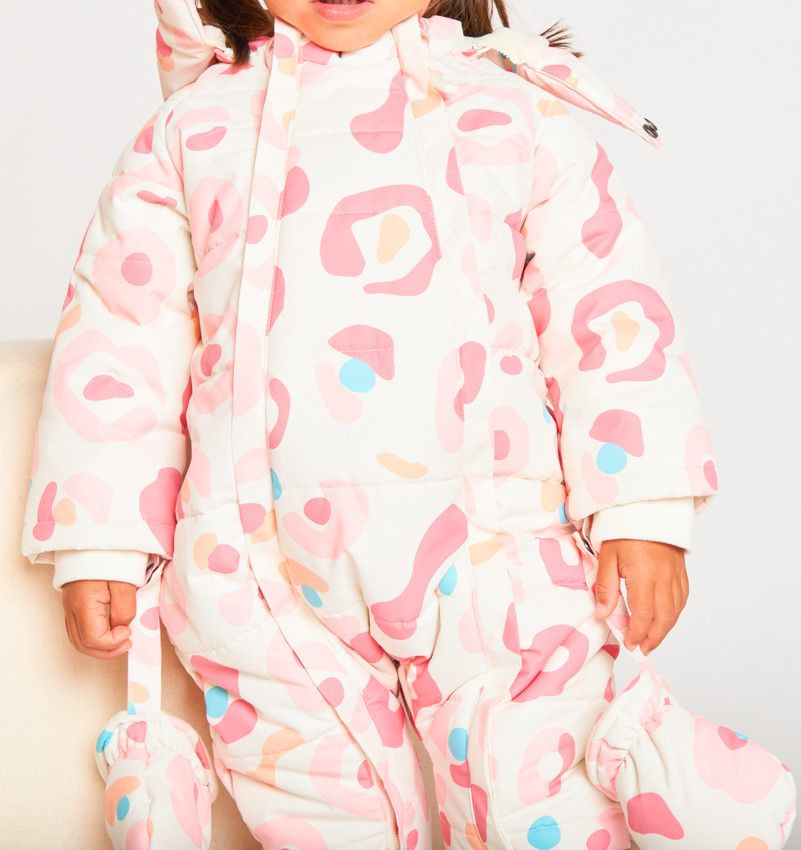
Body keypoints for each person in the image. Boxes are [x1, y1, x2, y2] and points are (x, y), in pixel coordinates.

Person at [20, 0, 719, 846]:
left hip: (499, 558)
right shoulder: (188, 136)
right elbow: (122, 337)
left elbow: (606, 313)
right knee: (321, 816)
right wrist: (99, 541)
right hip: (259, 578)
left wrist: (643, 507)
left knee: (546, 793)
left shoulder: (515, 115)